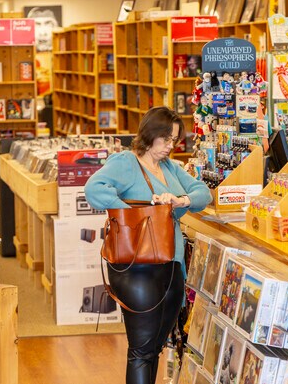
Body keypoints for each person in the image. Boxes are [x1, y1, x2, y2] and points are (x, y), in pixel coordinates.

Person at [85, 106, 212, 384]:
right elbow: (94, 189)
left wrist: (181, 201)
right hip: (137, 270)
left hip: (170, 267)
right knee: (142, 350)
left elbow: (204, 192)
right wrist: (134, 215)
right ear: (150, 134)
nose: (170, 146)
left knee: (154, 349)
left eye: (174, 141)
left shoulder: (169, 168)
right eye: (165, 139)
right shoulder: (126, 163)